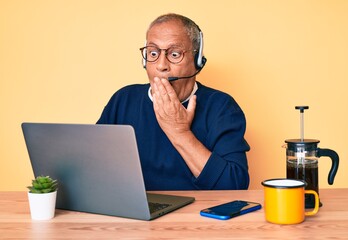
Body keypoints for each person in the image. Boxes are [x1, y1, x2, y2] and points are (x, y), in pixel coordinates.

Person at [97, 13, 250, 190]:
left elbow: (234, 187)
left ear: (197, 61)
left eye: (174, 54)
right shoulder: (123, 100)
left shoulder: (222, 107)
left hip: (197, 215)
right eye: (153, 53)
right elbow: (92, 166)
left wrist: (179, 132)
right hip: (134, 214)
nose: (161, 65)